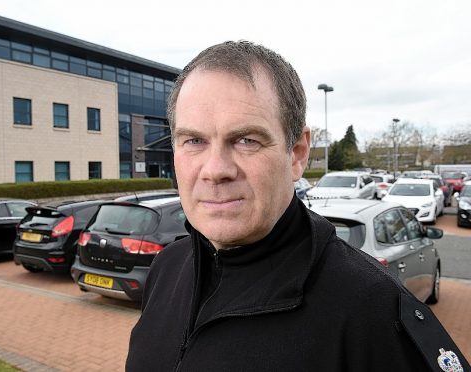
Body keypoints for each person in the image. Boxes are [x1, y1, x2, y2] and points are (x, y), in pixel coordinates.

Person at [126, 41, 469, 372]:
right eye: (194, 140)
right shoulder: (166, 269)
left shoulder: (371, 307)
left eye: (246, 140)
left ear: (298, 153)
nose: (215, 170)